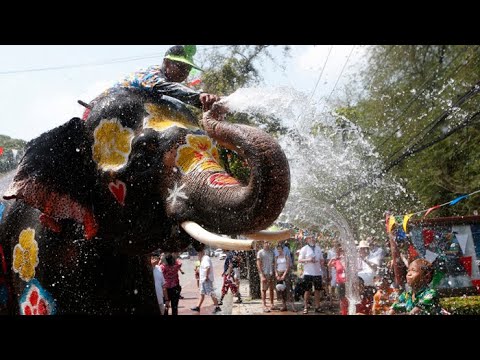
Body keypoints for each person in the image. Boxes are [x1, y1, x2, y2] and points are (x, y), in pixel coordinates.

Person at [82, 45, 219, 120]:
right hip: (99, 109)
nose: (185, 72)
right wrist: (198, 97)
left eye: (188, 69)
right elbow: (166, 88)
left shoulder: (167, 85)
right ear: (166, 62)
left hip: (126, 115)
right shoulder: (152, 75)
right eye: (181, 66)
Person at [298, 234, 324, 314]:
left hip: (317, 272)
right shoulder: (304, 249)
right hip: (308, 273)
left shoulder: (318, 248)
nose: (312, 239)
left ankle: (317, 306)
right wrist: (308, 260)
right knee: (307, 290)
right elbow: (299, 260)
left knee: (317, 290)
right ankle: (306, 307)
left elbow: (322, 259)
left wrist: (321, 262)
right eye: (311, 238)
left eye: (313, 238)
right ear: (307, 239)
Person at [191, 249, 221, 314]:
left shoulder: (205, 258)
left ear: (201, 252)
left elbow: (208, 267)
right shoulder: (203, 259)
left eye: (198, 254)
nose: (197, 255)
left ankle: (217, 307)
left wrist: (206, 276)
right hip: (203, 280)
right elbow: (203, 268)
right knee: (202, 294)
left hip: (206, 279)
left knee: (211, 293)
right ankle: (198, 307)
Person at [256, 241, 277, 312]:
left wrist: (275, 272)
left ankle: (272, 304)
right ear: (263, 243)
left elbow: (274, 263)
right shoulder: (260, 252)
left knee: (271, 289)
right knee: (264, 289)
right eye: (266, 242)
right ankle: (264, 305)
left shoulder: (272, 252)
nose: (268, 244)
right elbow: (258, 264)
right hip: (264, 273)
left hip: (271, 273)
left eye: (269, 243)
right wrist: (261, 275)